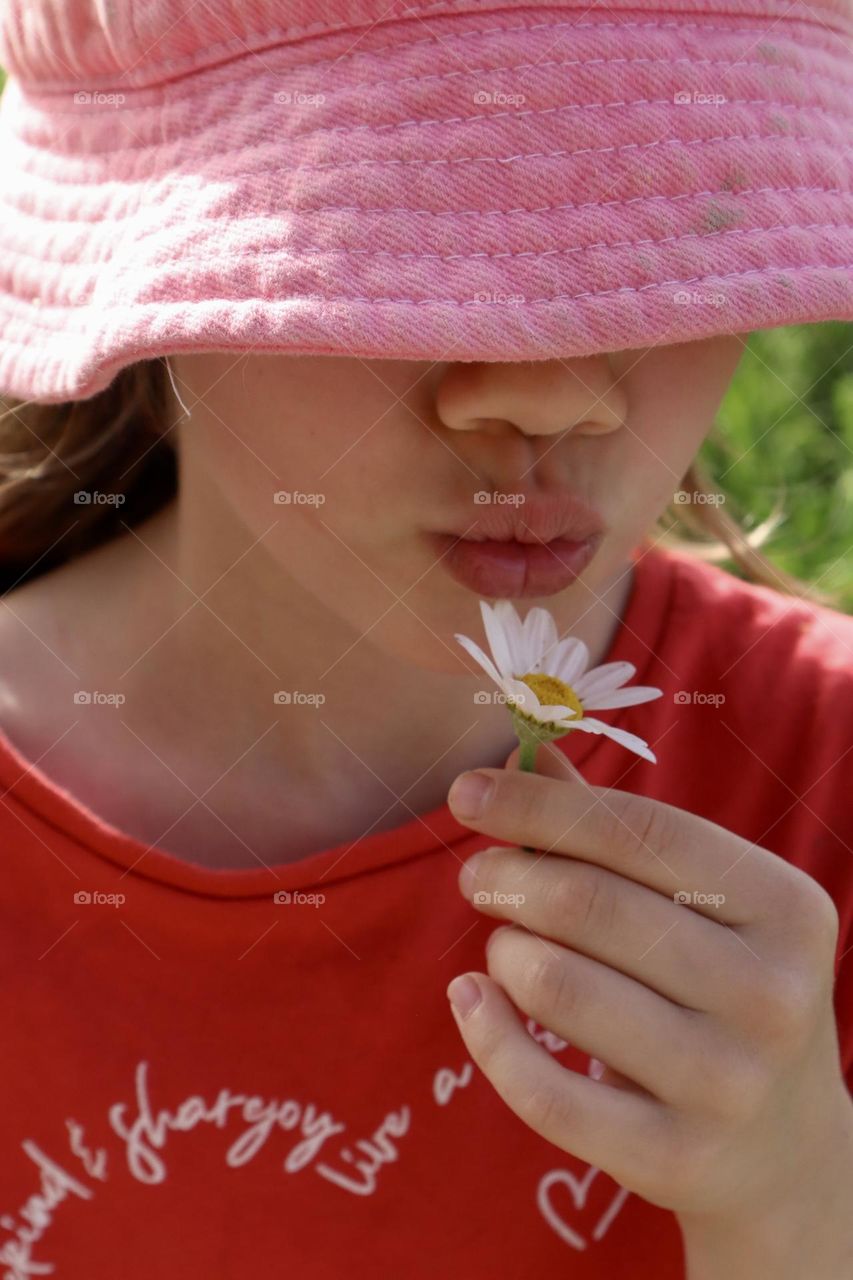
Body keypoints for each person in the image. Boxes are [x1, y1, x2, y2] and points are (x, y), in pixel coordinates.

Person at [0, 1, 851, 1276]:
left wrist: (790, 1206)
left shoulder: (819, 780)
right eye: (374, 245)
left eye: (666, 226)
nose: (547, 388)